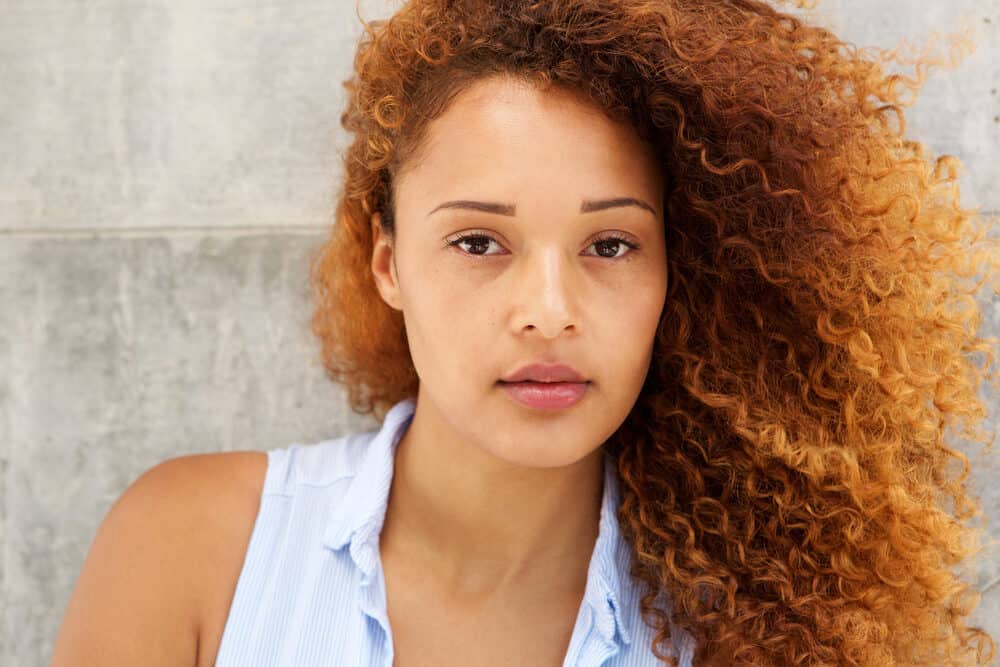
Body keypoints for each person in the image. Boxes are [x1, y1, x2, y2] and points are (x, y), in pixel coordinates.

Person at [51, 0, 999, 665]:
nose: (549, 307)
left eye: (611, 242)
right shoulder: (192, 548)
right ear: (387, 261)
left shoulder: (758, 629)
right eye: (478, 240)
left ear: (680, 272)